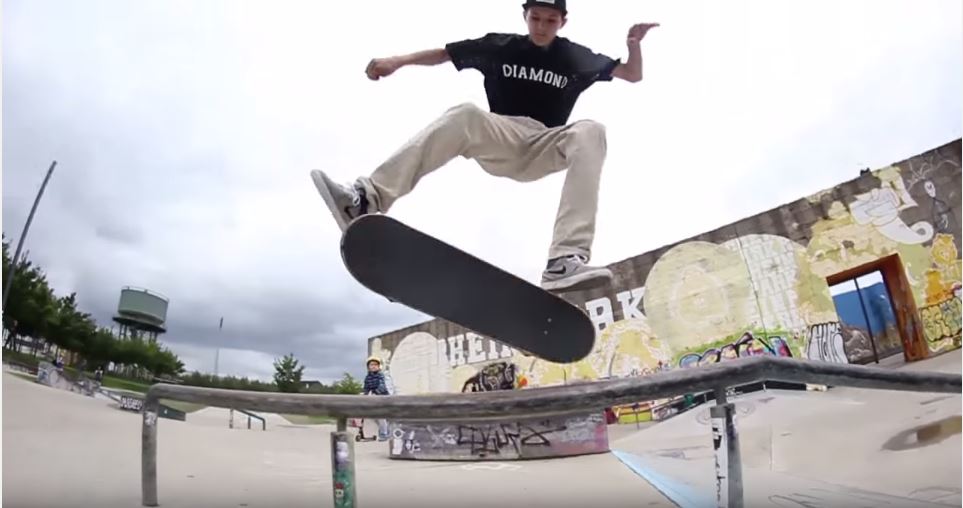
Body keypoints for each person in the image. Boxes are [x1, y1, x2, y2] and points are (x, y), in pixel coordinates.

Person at [311, 0, 658, 292]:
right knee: (465, 113)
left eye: (550, 21)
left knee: (591, 131)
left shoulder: (574, 56)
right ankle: (366, 199)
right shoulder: (500, 46)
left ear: (563, 22)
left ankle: (564, 260)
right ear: (525, 16)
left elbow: (631, 74)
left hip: (545, 142)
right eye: (535, 18)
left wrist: (634, 45)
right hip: (501, 136)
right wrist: (397, 61)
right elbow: (444, 54)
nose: (541, 27)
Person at [362, 356, 391, 440]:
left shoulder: (380, 375)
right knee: (374, 417)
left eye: (375, 365)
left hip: (383, 397)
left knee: (381, 417)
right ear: (368, 367)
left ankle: (383, 434)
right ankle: (383, 431)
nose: (373, 366)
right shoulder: (367, 377)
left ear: (379, 366)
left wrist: (376, 392)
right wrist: (364, 395)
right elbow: (366, 388)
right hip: (374, 398)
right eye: (371, 365)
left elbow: (382, 386)